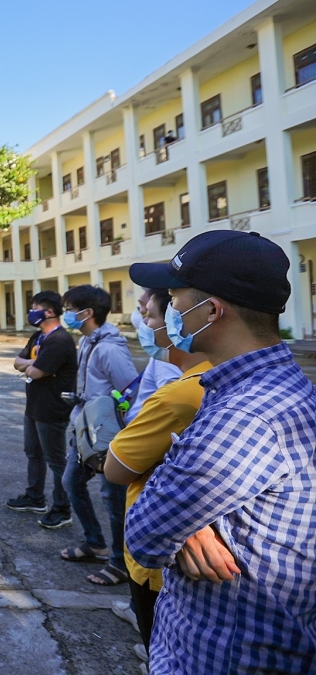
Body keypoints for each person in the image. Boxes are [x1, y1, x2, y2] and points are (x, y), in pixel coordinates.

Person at [125, 230, 316, 673]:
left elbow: (145, 536)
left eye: (174, 301)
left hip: (221, 656)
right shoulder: (262, 391)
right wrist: (191, 522)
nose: (169, 314)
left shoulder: (246, 414)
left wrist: (181, 515)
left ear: (211, 311)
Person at [103, 287, 211, 659]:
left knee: (162, 646)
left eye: (150, 316)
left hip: (157, 559)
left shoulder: (180, 394)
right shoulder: (211, 377)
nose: (144, 325)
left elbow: (115, 468)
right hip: (181, 549)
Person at [59, 285, 138, 586]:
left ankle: (119, 562)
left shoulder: (109, 348)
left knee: (113, 498)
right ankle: (95, 542)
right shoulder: (88, 342)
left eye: (70, 309)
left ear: (87, 313)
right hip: (83, 429)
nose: (67, 315)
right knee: (72, 482)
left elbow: (129, 391)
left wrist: (117, 429)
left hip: (107, 435)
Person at [8, 291, 77, 527]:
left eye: (35, 307)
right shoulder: (39, 336)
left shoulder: (60, 340)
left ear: (48, 312)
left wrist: (32, 367)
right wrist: (33, 365)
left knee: (56, 460)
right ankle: (35, 497)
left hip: (52, 409)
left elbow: (35, 372)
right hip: (34, 406)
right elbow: (19, 363)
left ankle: (62, 508)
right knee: (33, 454)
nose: (31, 311)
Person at [124, 289, 181, 424]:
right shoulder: (162, 354)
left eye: (149, 314)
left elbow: (169, 409)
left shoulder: (167, 359)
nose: (144, 320)